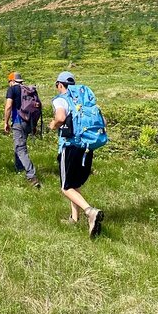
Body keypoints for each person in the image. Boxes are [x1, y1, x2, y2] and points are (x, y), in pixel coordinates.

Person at [49, 71, 104, 239]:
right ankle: (74, 218)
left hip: (70, 146)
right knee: (75, 184)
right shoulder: (84, 99)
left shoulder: (61, 99)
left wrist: (53, 124)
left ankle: (90, 212)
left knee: (66, 187)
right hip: (86, 146)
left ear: (60, 84)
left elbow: (60, 117)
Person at [4, 72, 41, 188]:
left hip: (18, 121)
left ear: (11, 81)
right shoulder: (30, 90)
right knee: (19, 145)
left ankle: (31, 175)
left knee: (20, 148)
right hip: (29, 122)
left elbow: (9, 106)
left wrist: (5, 122)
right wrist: (34, 125)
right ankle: (19, 168)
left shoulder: (13, 89)